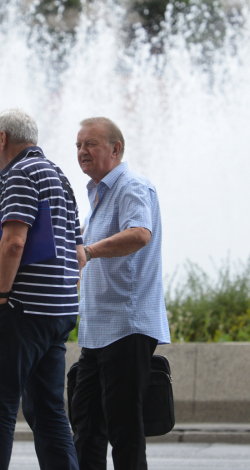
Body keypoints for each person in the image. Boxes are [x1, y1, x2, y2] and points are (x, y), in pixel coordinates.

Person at [0, 108, 84, 470]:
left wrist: (1, 297)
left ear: (3, 139)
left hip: (23, 310)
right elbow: (79, 253)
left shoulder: (20, 174)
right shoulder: (59, 177)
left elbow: (14, 242)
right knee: (48, 409)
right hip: (59, 311)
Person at [70, 116, 171, 470]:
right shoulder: (99, 194)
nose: (82, 151)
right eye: (78, 145)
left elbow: (140, 233)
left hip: (127, 328)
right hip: (97, 332)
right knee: (85, 427)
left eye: (90, 144)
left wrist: (89, 250)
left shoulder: (131, 186)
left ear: (116, 149)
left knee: (124, 431)